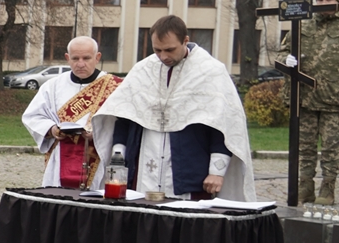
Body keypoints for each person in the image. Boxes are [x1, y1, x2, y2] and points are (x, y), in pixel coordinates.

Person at [93, 14, 255, 200]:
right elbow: (123, 115)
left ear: (185, 41)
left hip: (190, 164)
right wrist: (118, 159)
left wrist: (216, 171)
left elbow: (223, 123)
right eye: (157, 50)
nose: (163, 56)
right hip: (145, 164)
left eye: (170, 50)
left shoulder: (211, 71)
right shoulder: (143, 69)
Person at [21, 36, 121, 188]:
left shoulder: (115, 87)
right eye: (75, 58)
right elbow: (33, 116)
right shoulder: (53, 86)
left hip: (99, 158)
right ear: (67, 58)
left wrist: (99, 133)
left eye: (86, 58)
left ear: (97, 57)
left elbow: (126, 123)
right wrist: (52, 129)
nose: (80, 64)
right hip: (60, 157)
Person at [298, 0, 339, 204]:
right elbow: (286, 48)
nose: (324, 3)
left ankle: (328, 188)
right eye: (320, 0)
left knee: (331, 148)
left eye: (329, 0)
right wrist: (288, 59)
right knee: (305, 147)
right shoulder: (305, 26)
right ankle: (305, 186)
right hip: (306, 98)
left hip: (334, 100)